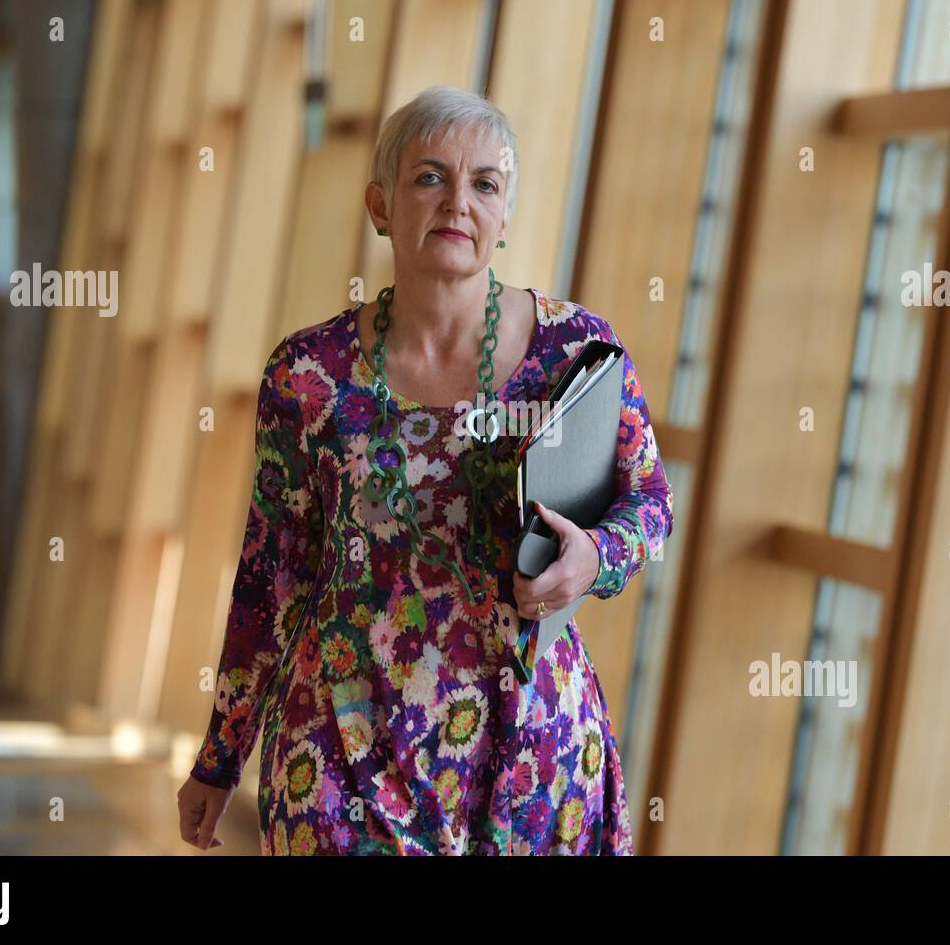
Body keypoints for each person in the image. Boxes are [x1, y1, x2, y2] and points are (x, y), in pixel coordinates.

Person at [177, 85, 672, 855]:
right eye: (429, 177)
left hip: (529, 748)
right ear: (381, 205)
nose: (457, 203)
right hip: (339, 746)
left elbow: (649, 503)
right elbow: (270, 575)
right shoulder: (309, 375)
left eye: (485, 184)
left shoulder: (575, 352)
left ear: (505, 215)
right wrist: (220, 755)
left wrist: (595, 558)